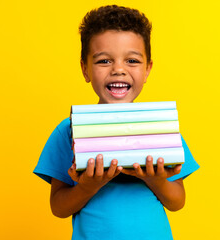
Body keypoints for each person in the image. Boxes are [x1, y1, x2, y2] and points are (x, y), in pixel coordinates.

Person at [33, 5, 199, 240]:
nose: (118, 70)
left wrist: (152, 178)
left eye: (132, 60)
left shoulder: (159, 130)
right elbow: (58, 208)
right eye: (103, 61)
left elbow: (177, 202)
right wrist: (88, 186)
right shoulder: (69, 131)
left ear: (148, 69)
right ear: (85, 69)